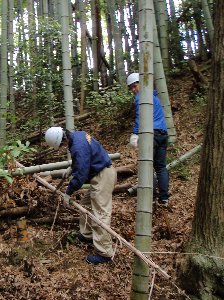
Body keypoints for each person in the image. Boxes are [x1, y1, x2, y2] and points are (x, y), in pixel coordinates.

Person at [45, 127, 117, 264]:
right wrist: (72, 168)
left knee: (100, 214)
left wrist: (69, 192)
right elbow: (85, 158)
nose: (62, 147)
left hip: (103, 176)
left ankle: (105, 253)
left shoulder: (77, 146)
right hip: (101, 173)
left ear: (63, 139)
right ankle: (87, 235)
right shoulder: (78, 136)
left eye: (61, 145)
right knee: (86, 204)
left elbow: (82, 174)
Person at [127, 72, 170, 206]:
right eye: (131, 88)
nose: (134, 90)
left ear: (141, 84)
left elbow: (140, 117)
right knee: (160, 167)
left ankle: (150, 197)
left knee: (148, 166)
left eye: (135, 86)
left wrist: (135, 134)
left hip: (152, 134)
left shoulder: (141, 98)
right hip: (163, 134)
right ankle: (163, 198)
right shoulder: (154, 96)